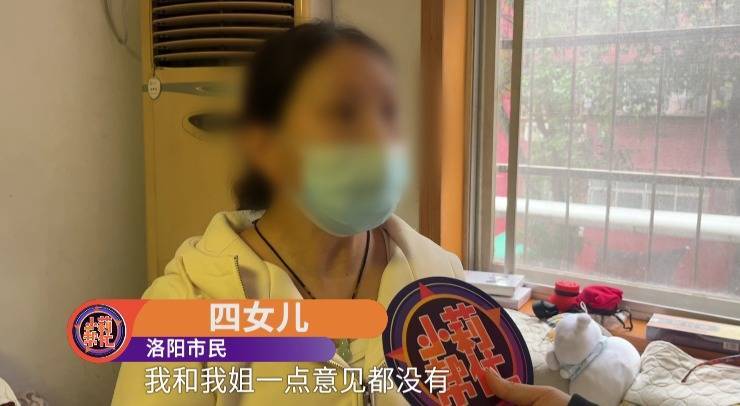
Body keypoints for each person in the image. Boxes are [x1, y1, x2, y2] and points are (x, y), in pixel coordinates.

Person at [112, 22, 591, 406]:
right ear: (265, 146)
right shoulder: (182, 312)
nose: (378, 138)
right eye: (343, 113)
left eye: (388, 113)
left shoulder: (440, 278)